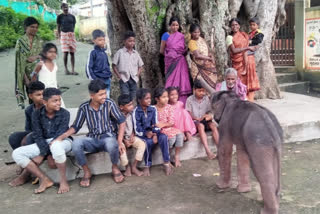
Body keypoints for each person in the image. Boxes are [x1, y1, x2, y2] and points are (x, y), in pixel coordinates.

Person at [54, 79, 126, 186]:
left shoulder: (109, 103)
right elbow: (76, 127)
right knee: (76, 144)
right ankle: (86, 171)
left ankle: (115, 168)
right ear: (92, 95)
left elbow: (122, 121)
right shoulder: (84, 108)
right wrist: (62, 136)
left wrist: (120, 141)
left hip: (108, 138)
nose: (104, 96)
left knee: (112, 142)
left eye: (105, 93)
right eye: (101, 94)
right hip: (92, 140)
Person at [11, 88, 72, 194]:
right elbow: (38, 135)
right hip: (44, 142)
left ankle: (63, 181)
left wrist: (45, 154)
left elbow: (59, 134)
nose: (59, 103)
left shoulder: (64, 113)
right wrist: (44, 153)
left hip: (63, 141)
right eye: (55, 101)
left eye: (59, 100)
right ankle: (44, 179)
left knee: (56, 146)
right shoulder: (36, 114)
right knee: (17, 153)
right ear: (45, 102)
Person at [133, 88, 173, 176]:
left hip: (153, 132)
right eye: (146, 98)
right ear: (140, 100)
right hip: (143, 134)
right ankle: (147, 165)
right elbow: (137, 129)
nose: (149, 100)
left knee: (163, 137)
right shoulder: (136, 111)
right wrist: (146, 133)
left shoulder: (152, 109)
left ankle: (166, 162)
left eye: (149, 98)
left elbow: (156, 124)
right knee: (148, 142)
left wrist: (155, 133)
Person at [226, 18, 260, 102]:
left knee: (249, 84)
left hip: (248, 61)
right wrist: (247, 48)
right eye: (233, 25)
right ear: (230, 27)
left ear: (239, 25)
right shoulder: (229, 37)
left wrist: (254, 47)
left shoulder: (244, 34)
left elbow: (252, 44)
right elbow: (233, 51)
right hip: (238, 63)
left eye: (236, 25)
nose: (235, 27)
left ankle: (250, 102)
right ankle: (240, 102)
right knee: (239, 83)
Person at [160, 17, 192, 105]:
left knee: (182, 83)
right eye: (173, 25)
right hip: (170, 63)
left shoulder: (181, 36)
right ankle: (169, 103)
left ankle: (182, 103)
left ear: (179, 26)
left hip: (180, 62)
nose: (175, 27)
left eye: (176, 25)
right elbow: (161, 51)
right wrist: (171, 55)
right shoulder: (166, 35)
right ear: (169, 25)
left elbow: (183, 51)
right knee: (170, 83)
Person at [186, 80, 219, 159]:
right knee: (200, 126)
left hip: (205, 119)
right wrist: (196, 118)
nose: (202, 93)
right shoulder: (189, 99)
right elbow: (188, 113)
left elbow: (209, 111)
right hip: (195, 121)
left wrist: (208, 115)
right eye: (199, 91)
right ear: (194, 90)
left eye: (203, 91)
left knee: (213, 126)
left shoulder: (206, 99)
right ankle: (208, 151)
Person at [15, 17, 43, 109]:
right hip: (28, 75)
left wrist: (36, 57)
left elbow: (46, 56)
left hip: (41, 74)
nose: (35, 29)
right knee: (33, 99)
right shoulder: (21, 42)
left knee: (42, 98)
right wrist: (26, 80)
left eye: (36, 27)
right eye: (32, 27)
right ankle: (33, 118)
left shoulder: (39, 40)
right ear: (25, 27)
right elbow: (19, 64)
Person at [9, 81, 45, 151]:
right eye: (38, 95)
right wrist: (29, 135)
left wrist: (30, 135)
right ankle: (25, 157)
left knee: (29, 138)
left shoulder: (49, 107)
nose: (42, 97)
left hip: (47, 134)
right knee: (13, 137)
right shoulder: (29, 110)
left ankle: (36, 156)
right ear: (30, 96)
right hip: (33, 134)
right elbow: (28, 129)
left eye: (43, 94)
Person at [154, 88, 184, 167]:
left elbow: (171, 122)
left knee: (180, 135)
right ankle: (167, 157)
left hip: (168, 127)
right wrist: (160, 125)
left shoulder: (169, 107)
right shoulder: (153, 109)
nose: (166, 99)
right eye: (163, 97)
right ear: (157, 99)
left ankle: (177, 156)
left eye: (167, 96)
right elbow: (154, 123)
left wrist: (163, 124)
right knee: (172, 138)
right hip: (159, 130)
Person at [118, 94, 146, 177]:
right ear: (121, 107)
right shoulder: (117, 116)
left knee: (142, 144)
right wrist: (123, 140)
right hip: (121, 139)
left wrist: (133, 135)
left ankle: (134, 166)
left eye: (132, 104)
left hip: (131, 137)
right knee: (121, 149)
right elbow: (116, 131)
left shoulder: (132, 114)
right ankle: (127, 168)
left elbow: (134, 125)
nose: (132, 106)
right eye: (129, 105)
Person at [31, 43, 66, 108]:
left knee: (59, 108)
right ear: (44, 53)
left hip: (54, 91)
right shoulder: (41, 64)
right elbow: (33, 77)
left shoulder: (55, 65)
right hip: (44, 92)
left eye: (55, 52)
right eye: (50, 52)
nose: (53, 54)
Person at [112, 31, 144, 100]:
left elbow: (140, 66)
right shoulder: (120, 52)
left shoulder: (135, 53)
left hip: (133, 79)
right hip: (124, 79)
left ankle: (131, 109)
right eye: (130, 41)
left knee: (133, 96)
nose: (132, 43)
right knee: (125, 96)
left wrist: (137, 75)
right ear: (124, 41)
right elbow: (114, 65)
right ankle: (126, 109)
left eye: (133, 41)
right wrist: (119, 76)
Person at [188, 23, 217, 95]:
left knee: (211, 84)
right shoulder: (192, 42)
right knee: (200, 84)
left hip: (207, 66)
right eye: (195, 32)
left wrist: (211, 56)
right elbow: (197, 55)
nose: (197, 34)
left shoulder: (202, 39)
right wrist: (208, 58)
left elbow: (208, 51)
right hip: (198, 68)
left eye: (198, 32)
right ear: (191, 33)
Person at [86, 29, 112, 98]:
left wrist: (110, 75)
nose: (102, 42)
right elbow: (89, 67)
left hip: (107, 78)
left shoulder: (104, 52)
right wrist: (94, 79)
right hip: (98, 79)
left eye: (103, 40)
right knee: (99, 97)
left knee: (107, 96)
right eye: (100, 40)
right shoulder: (92, 53)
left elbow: (107, 65)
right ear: (94, 40)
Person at [57, 3, 78, 75]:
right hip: (63, 35)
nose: (65, 8)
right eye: (64, 7)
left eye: (66, 7)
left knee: (72, 53)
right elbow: (58, 27)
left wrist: (72, 33)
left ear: (68, 7)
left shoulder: (72, 16)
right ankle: (66, 69)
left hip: (71, 35)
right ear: (62, 8)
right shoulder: (59, 16)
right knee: (65, 52)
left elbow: (73, 25)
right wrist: (59, 36)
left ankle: (73, 70)